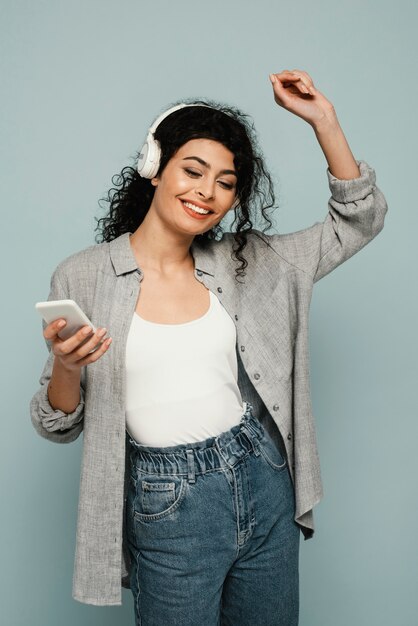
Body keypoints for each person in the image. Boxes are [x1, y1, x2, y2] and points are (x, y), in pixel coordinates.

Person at [30, 69, 388, 625]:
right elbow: (56, 422)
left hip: (261, 476)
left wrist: (325, 121)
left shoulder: (249, 262)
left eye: (225, 182)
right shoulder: (84, 277)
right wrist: (66, 365)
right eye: (192, 171)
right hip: (168, 505)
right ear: (155, 169)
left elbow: (358, 222)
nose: (206, 192)